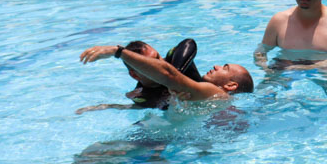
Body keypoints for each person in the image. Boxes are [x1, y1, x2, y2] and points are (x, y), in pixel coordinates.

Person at [80, 43, 253, 101]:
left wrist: (118, 52)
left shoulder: (215, 93)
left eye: (224, 68)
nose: (216, 66)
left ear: (231, 85)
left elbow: (170, 75)